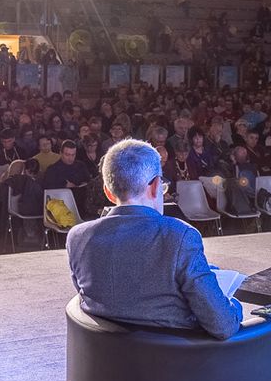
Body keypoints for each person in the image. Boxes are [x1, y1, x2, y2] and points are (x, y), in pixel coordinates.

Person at [67, 139, 240, 339]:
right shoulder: (180, 236)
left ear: (108, 191)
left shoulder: (77, 238)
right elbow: (223, 326)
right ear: (156, 185)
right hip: (179, 364)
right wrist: (231, 301)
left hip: (105, 363)